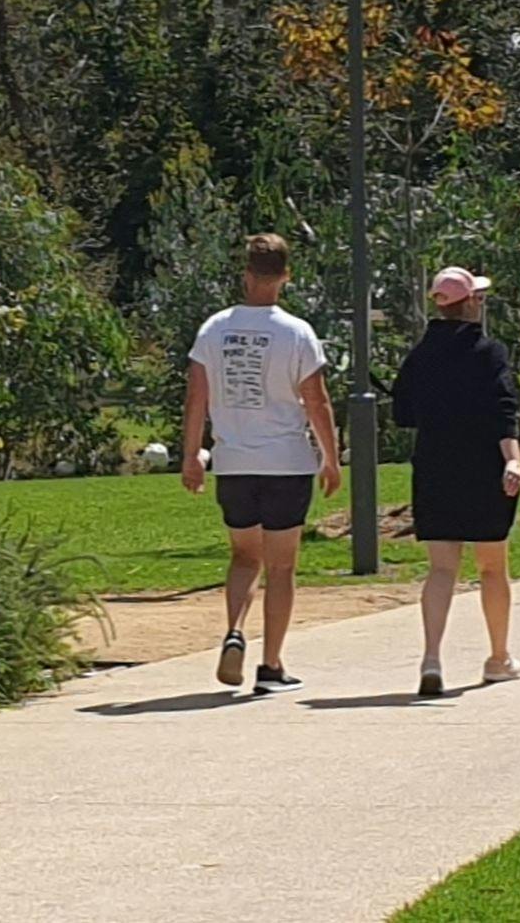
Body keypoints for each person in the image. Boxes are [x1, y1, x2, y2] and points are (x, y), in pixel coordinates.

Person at [182, 233, 341, 694]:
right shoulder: (297, 332)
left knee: (243, 557)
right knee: (282, 567)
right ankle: (271, 665)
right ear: (285, 276)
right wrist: (330, 458)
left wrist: (191, 455)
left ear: (246, 274)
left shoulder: (214, 329)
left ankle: (235, 629)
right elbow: (317, 401)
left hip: (234, 462)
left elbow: (196, 397)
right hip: (286, 464)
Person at [393, 264, 520, 696]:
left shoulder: (420, 355)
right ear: (468, 303)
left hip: (435, 467)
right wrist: (513, 460)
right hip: (484, 467)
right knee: (492, 567)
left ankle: (431, 658)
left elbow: (403, 412)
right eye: (478, 298)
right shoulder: (489, 353)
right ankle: (498, 657)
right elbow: (504, 411)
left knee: (441, 568)